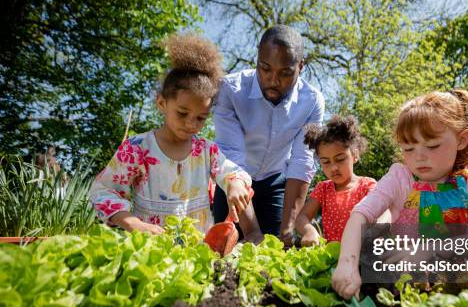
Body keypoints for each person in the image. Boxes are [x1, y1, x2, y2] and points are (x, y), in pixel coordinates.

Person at [332, 89, 468, 299]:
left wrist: (428, 249)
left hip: (458, 281)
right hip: (404, 280)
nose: (419, 157)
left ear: (462, 140)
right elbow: (360, 215)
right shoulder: (399, 178)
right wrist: (347, 264)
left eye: (432, 145)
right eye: (408, 149)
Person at [89, 33, 255, 235]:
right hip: (150, 251)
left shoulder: (206, 151)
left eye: (201, 118)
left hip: (197, 250)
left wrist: (235, 183)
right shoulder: (136, 148)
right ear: (162, 103)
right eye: (182, 113)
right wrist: (134, 224)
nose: (191, 124)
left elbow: (231, 172)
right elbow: (104, 191)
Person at [213, 25, 324, 246]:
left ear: (300, 67)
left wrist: (289, 226)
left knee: (280, 246)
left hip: (275, 182)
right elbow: (232, 156)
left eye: (285, 73)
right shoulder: (230, 90)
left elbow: (302, 162)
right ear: (257, 59)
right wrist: (252, 230)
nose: (273, 80)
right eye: (265, 68)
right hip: (232, 182)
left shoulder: (312, 100)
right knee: (225, 251)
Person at [295, 115, 376, 246]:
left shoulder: (367, 185)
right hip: (332, 260)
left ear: (355, 155)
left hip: (362, 257)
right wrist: (309, 231)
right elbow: (301, 218)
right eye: (326, 162)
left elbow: (381, 216)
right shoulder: (323, 189)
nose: (333, 167)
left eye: (340, 159)